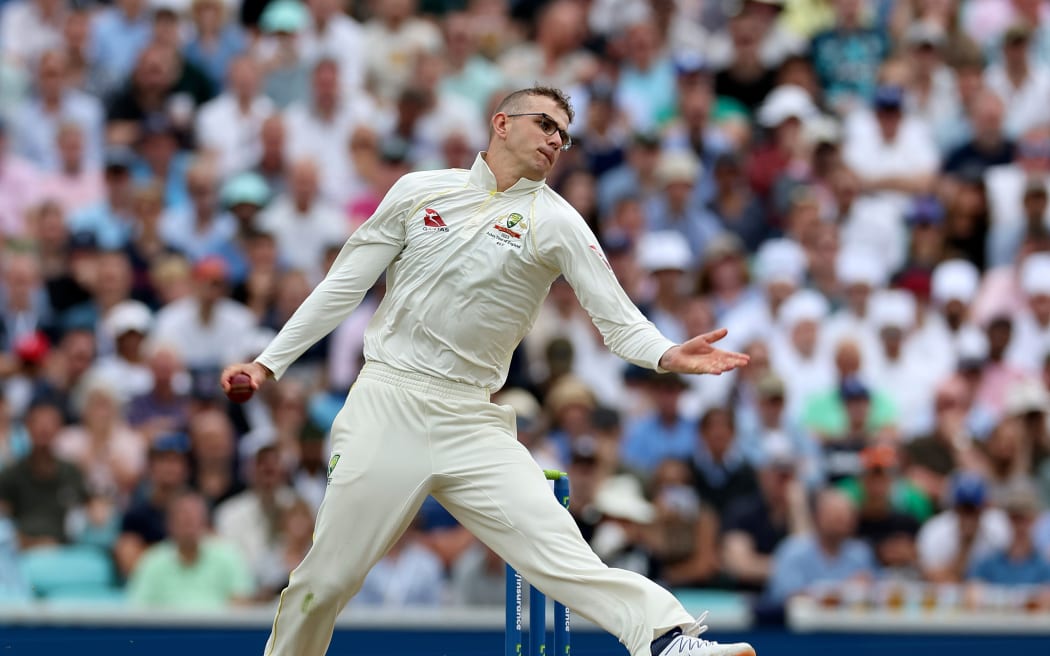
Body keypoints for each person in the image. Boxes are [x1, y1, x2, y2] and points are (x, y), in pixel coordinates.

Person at [221, 86, 753, 656]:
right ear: (501, 122)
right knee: (323, 584)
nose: (556, 141)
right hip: (388, 400)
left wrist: (667, 354)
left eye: (564, 135)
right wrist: (268, 362)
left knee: (558, 549)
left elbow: (617, 320)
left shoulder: (559, 222)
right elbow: (343, 286)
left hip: (472, 417)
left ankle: (668, 640)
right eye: (545, 125)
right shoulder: (419, 190)